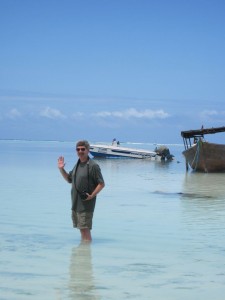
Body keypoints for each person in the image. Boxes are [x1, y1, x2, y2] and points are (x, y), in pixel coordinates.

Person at [58, 140, 105, 242]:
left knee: (85, 230)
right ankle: (83, 253)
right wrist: (61, 169)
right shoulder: (78, 164)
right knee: (81, 229)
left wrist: (92, 195)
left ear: (88, 150)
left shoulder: (93, 166)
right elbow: (69, 179)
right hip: (75, 203)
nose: (80, 151)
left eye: (83, 149)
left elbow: (101, 184)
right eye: (78, 149)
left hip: (86, 204)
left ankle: (85, 254)